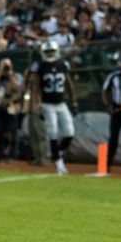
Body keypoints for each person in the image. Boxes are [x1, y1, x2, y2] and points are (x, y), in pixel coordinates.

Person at [29, 41, 78, 175]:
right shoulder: (40, 66)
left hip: (61, 103)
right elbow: (36, 87)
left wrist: (74, 101)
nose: (50, 54)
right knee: (53, 133)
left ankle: (58, 153)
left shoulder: (63, 65)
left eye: (51, 51)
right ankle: (59, 163)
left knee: (69, 132)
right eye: (47, 52)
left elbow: (69, 83)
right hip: (47, 104)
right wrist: (37, 104)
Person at [0, 58, 23, 164]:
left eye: (7, 66)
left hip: (12, 106)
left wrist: (10, 75)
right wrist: (0, 73)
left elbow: (18, 89)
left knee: (12, 132)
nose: (6, 68)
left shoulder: (17, 76)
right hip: (0, 107)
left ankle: (12, 155)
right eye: (4, 66)